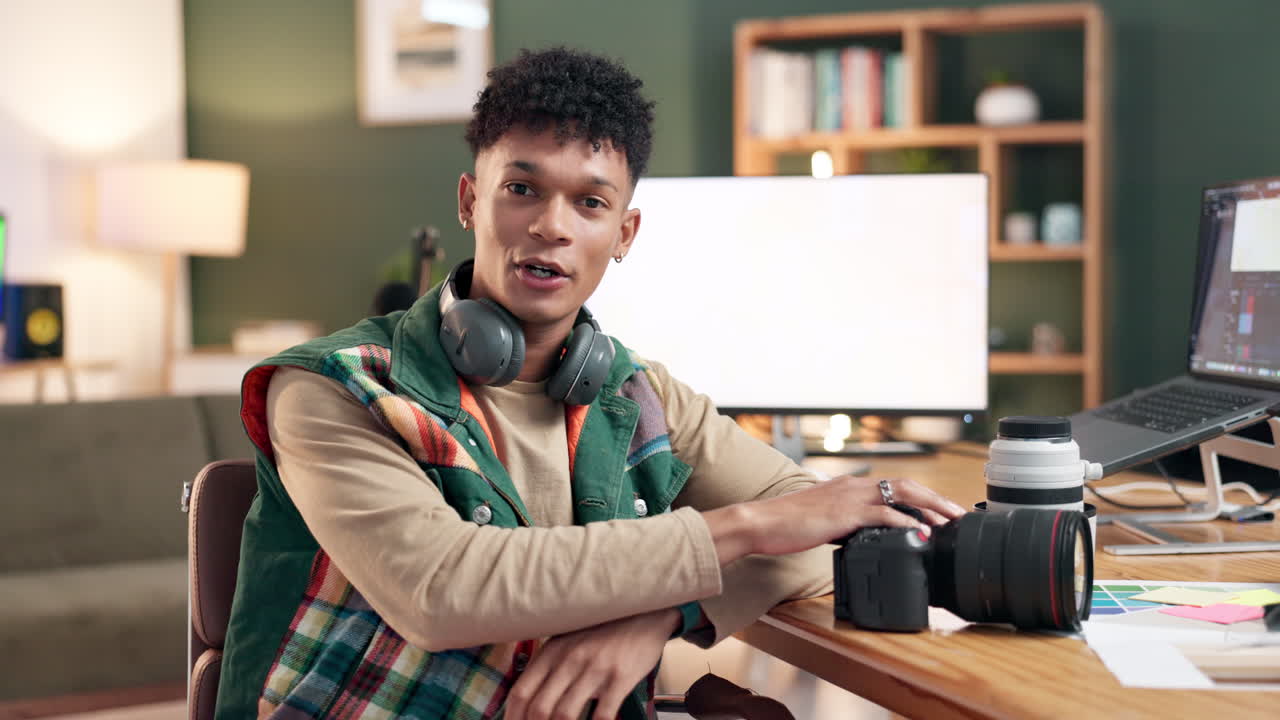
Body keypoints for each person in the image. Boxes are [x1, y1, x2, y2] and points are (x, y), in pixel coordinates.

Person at [217, 47, 966, 720]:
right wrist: (741, 529)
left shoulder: (639, 393)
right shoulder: (331, 388)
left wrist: (656, 619)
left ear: (624, 234)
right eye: (521, 189)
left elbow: (811, 534)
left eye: (590, 203)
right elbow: (441, 590)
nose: (552, 226)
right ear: (471, 201)